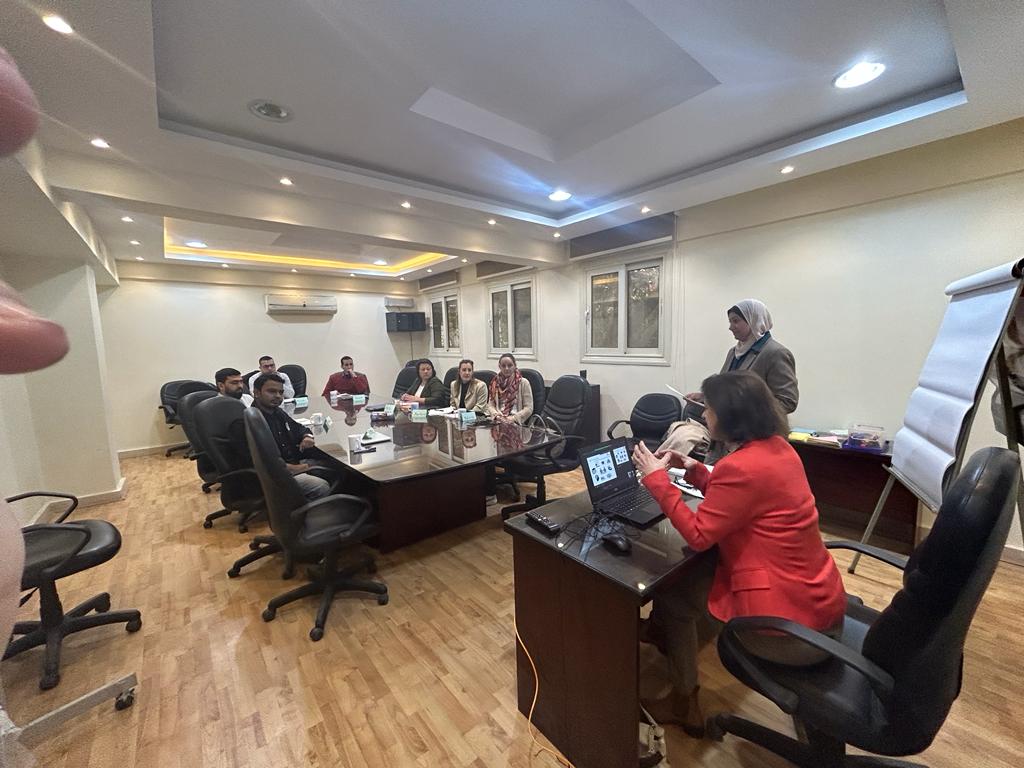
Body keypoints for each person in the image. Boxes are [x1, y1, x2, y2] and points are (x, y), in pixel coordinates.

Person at [631, 371, 846, 737]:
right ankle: (668, 647)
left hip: (790, 632)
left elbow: (699, 535)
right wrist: (696, 470)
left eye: (709, 409)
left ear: (730, 417)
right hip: (819, 602)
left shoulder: (740, 466)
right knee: (683, 586)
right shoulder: (781, 449)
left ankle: (683, 703)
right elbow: (744, 494)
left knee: (676, 597)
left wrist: (656, 479)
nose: (703, 415)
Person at [686, 299, 798, 415]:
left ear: (752, 320)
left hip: (756, 425)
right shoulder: (733, 352)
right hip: (730, 424)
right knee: (690, 412)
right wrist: (705, 398)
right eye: (730, 322)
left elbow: (787, 401)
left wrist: (744, 409)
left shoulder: (776, 353)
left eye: (735, 321)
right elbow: (725, 389)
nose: (730, 327)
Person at [248, 373, 336, 499]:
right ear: (256, 393)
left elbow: (299, 428)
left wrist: (306, 436)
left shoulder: (277, 412)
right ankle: (317, 510)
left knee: (336, 464)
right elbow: (265, 463)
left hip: (294, 463)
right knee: (320, 486)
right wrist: (298, 468)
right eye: (271, 391)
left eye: (280, 392)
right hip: (279, 476)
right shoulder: (254, 421)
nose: (278, 396)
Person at [487, 353, 533, 424]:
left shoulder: (523, 383)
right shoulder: (495, 383)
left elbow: (529, 408)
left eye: (510, 365)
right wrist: (496, 415)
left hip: (515, 421)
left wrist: (513, 418)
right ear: (499, 366)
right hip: (498, 420)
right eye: (503, 366)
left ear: (515, 366)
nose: (506, 368)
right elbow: (490, 405)